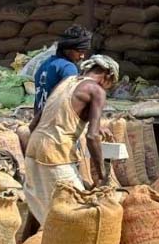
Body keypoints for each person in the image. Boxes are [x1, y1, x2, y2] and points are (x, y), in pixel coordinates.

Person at [23, 55, 119, 226]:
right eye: (111, 84)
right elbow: (92, 136)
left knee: (40, 209)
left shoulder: (65, 83)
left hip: (33, 148)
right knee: (76, 213)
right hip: (55, 154)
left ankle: (27, 241)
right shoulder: (96, 90)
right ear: (107, 76)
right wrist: (102, 175)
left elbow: (35, 123)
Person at [32, 25, 93, 119]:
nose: (82, 56)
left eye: (84, 52)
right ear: (67, 48)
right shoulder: (68, 68)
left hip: (41, 120)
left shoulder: (45, 64)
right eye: (80, 51)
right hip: (56, 122)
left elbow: (37, 101)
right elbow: (71, 101)